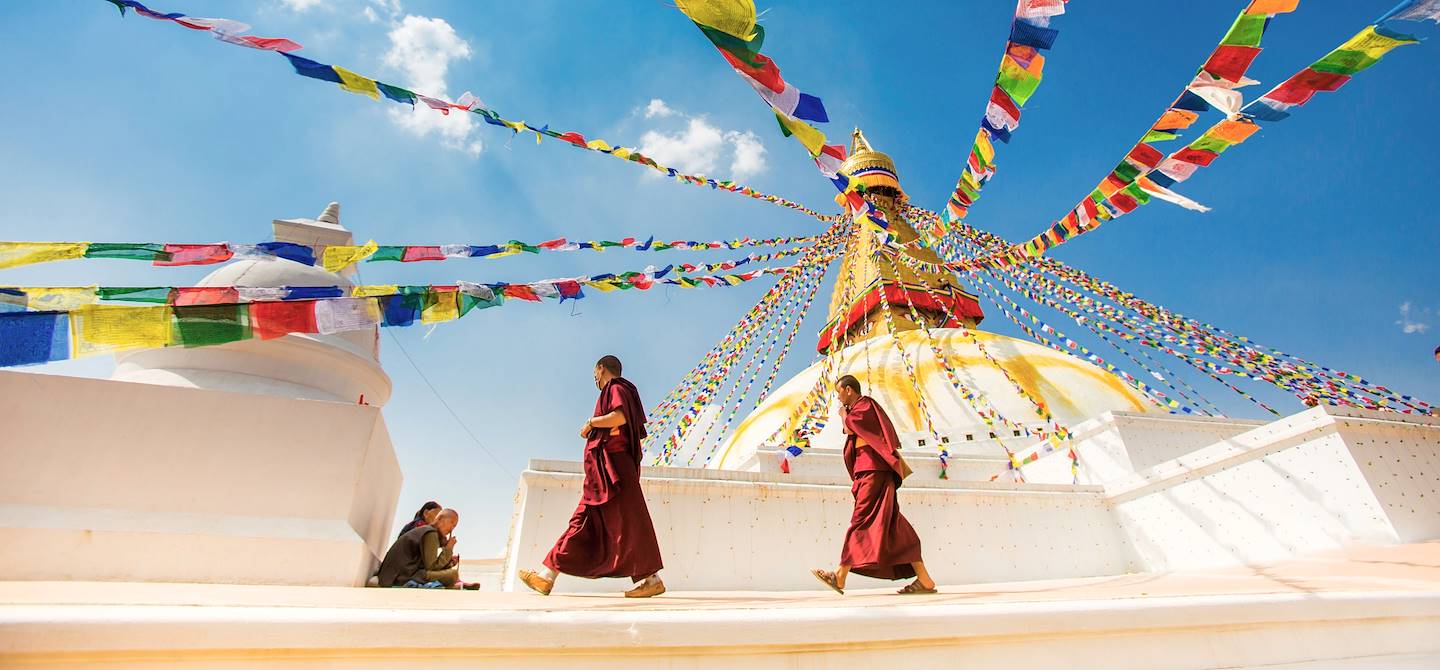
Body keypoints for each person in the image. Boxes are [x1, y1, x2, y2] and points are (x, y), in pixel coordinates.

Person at [519, 355, 666, 598]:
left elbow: (619, 417)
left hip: (616, 469)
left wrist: (590, 423)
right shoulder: (614, 390)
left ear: (601, 368)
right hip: (603, 473)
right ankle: (546, 576)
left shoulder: (617, 387)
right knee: (584, 521)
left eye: (594, 373)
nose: (594, 379)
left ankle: (652, 579)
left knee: (631, 521)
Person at [812, 375, 938, 595]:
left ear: (849, 390)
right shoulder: (858, 408)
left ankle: (840, 575)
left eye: (839, 392)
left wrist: (843, 414)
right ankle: (925, 580)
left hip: (873, 469)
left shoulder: (865, 405)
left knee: (861, 519)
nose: (838, 397)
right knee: (892, 523)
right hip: (868, 469)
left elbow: (852, 427)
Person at [376, 508, 478, 590]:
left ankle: (453, 585)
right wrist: (448, 548)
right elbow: (431, 566)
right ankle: (454, 585)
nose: (452, 529)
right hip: (401, 576)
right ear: (440, 519)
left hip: (400, 573)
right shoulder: (430, 533)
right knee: (452, 574)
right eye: (452, 523)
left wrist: (450, 562)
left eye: (454, 526)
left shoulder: (429, 531)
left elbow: (429, 564)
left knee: (449, 572)